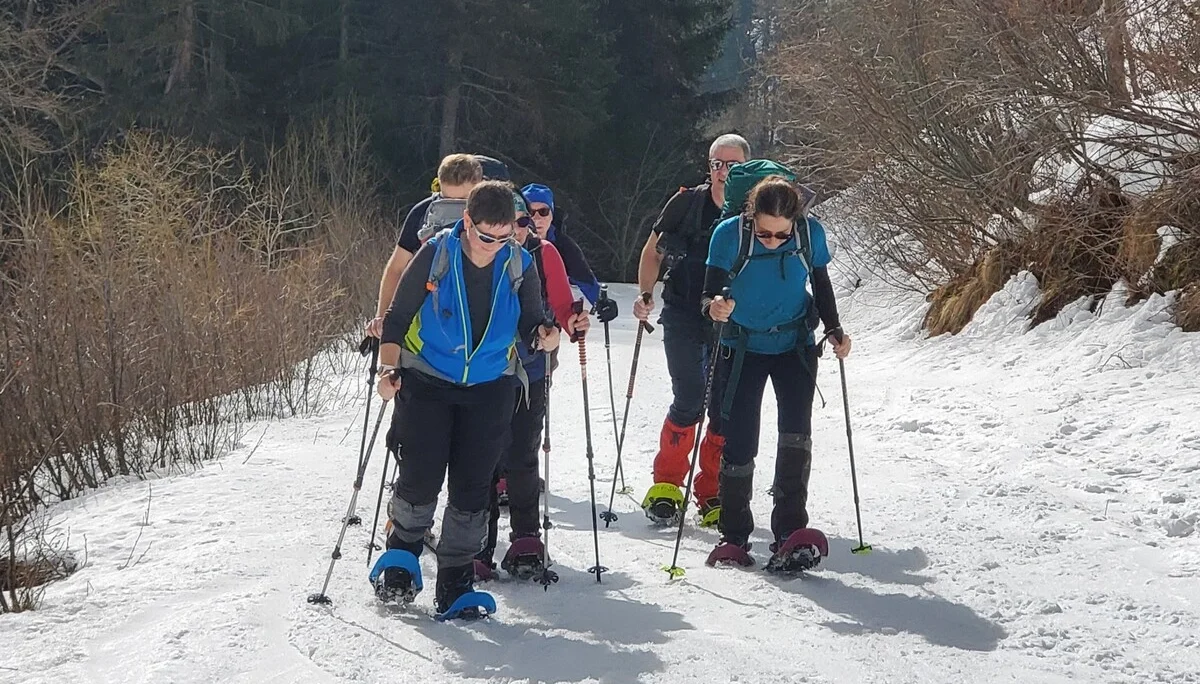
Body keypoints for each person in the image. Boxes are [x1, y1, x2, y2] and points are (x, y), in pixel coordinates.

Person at [374, 180, 560, 616]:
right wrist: (387, 369)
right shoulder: (437, 254)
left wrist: (544, 335)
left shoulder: (518, 263)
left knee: (473, 485)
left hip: (491, 386)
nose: (491, 246)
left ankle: (456, 578)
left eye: (502, 237)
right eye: (484, 236)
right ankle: (401, 559)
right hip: (427, 380)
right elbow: (397, 319)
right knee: (420, 473)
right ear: (466, 222)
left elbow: (532, 322)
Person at [701, 175, 851, 569]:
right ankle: (734, 536)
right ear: (751, 217)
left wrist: (834, 328)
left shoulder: (809, 233)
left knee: (796, 436)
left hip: (794, 345)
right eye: (764, 234)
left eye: (780, 236)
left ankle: (789, 531)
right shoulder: (727, 235)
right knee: (740, 440)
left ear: (795, 223)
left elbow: (820, 282)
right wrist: (714, 307)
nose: (772, 241)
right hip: (741, 347)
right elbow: (711, 289)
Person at [631, 134, 750, 525]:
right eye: (718, 164)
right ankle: (666, 484)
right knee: (689, 396)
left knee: (721, 407)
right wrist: (647, 293)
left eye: (732, 166)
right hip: (683, 312)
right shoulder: (686, 204)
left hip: (732, 319)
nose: (723, 172)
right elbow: (653, 250)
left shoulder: (754, 211)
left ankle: (711, 491)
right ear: (709, 166)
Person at [477, 192, 589, 579]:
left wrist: (570, 324)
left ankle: (526, 538)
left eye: (526, 223)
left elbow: (561, 303)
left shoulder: (545, 254)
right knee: (483, 458)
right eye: (515, 223)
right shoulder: (480, 254)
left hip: (531, 367)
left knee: (523, 452)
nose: (520, 230)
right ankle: (478, 544)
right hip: (483, 371)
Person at [367, 154, 512, 339]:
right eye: (445, 199)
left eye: (462, 202)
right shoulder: (422, 213)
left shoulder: (497, 215)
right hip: (426, 328)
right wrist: (383, 319)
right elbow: (396, 268)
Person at [521, 183, 618, 324]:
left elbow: (584, 278)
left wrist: (602, 302)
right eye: (530, 212)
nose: (536, 218)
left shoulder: (564, 246)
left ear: (552, 215)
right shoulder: (506, 240)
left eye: (543, 211)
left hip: (548, 321)